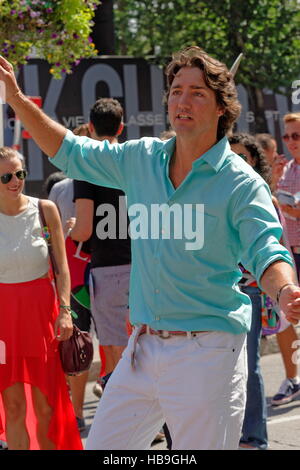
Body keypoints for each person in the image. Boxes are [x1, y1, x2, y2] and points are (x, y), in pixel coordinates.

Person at [1, 47, 300, 450]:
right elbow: (69, 150)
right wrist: (17, 99)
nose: (182, 101)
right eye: (176, 90)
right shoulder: (142, 158)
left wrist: (284, 291)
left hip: (208, 350)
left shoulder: (241, 183)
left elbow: (267, 249)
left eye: (197, 92)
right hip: (143, 347)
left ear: (220, 108)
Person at [0, 147, 82, 450]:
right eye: (6, 176)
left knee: (47, 404)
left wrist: (64, 311)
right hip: (3, 321)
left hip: (41, 317)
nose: (15, 181)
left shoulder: (45, 209)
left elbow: (61, 268)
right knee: (14, 407)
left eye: (20, 173)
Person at [67, 99, 131, 400]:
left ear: (90, 128)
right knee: (148, 347)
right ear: (121, 127)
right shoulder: (138, 158)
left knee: (119, 353)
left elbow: (83, 229)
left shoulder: (87, 165)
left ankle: (135, 425)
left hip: (109, 269)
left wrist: (67, 229)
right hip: (146, 264)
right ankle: (156, 422)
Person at [48, 123, 92, 432]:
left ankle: (75, 411)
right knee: (83, 343)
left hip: (86, 277)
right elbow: (56, 237)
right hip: (84, 278)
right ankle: (74, 411)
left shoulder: (61, 189)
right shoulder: (63, 189)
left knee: (80, 342)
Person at [229, 133, 272, 450]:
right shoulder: (221, 191)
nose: (237, 162)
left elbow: (273, 245)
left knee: (251, 363)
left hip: (252, 290)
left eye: (242, 156)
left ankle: (254, 437)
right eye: (231, 156)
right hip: (225, 292)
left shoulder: (259, 193)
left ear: (254, 159)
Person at [271, 113, 300, 406]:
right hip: (291, 252)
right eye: (287, 136)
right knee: (287, 317)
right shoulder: (287, 169)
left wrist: (279, 201)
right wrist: (274, 183)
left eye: (297, 136)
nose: (291, 142)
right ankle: (293, 378)